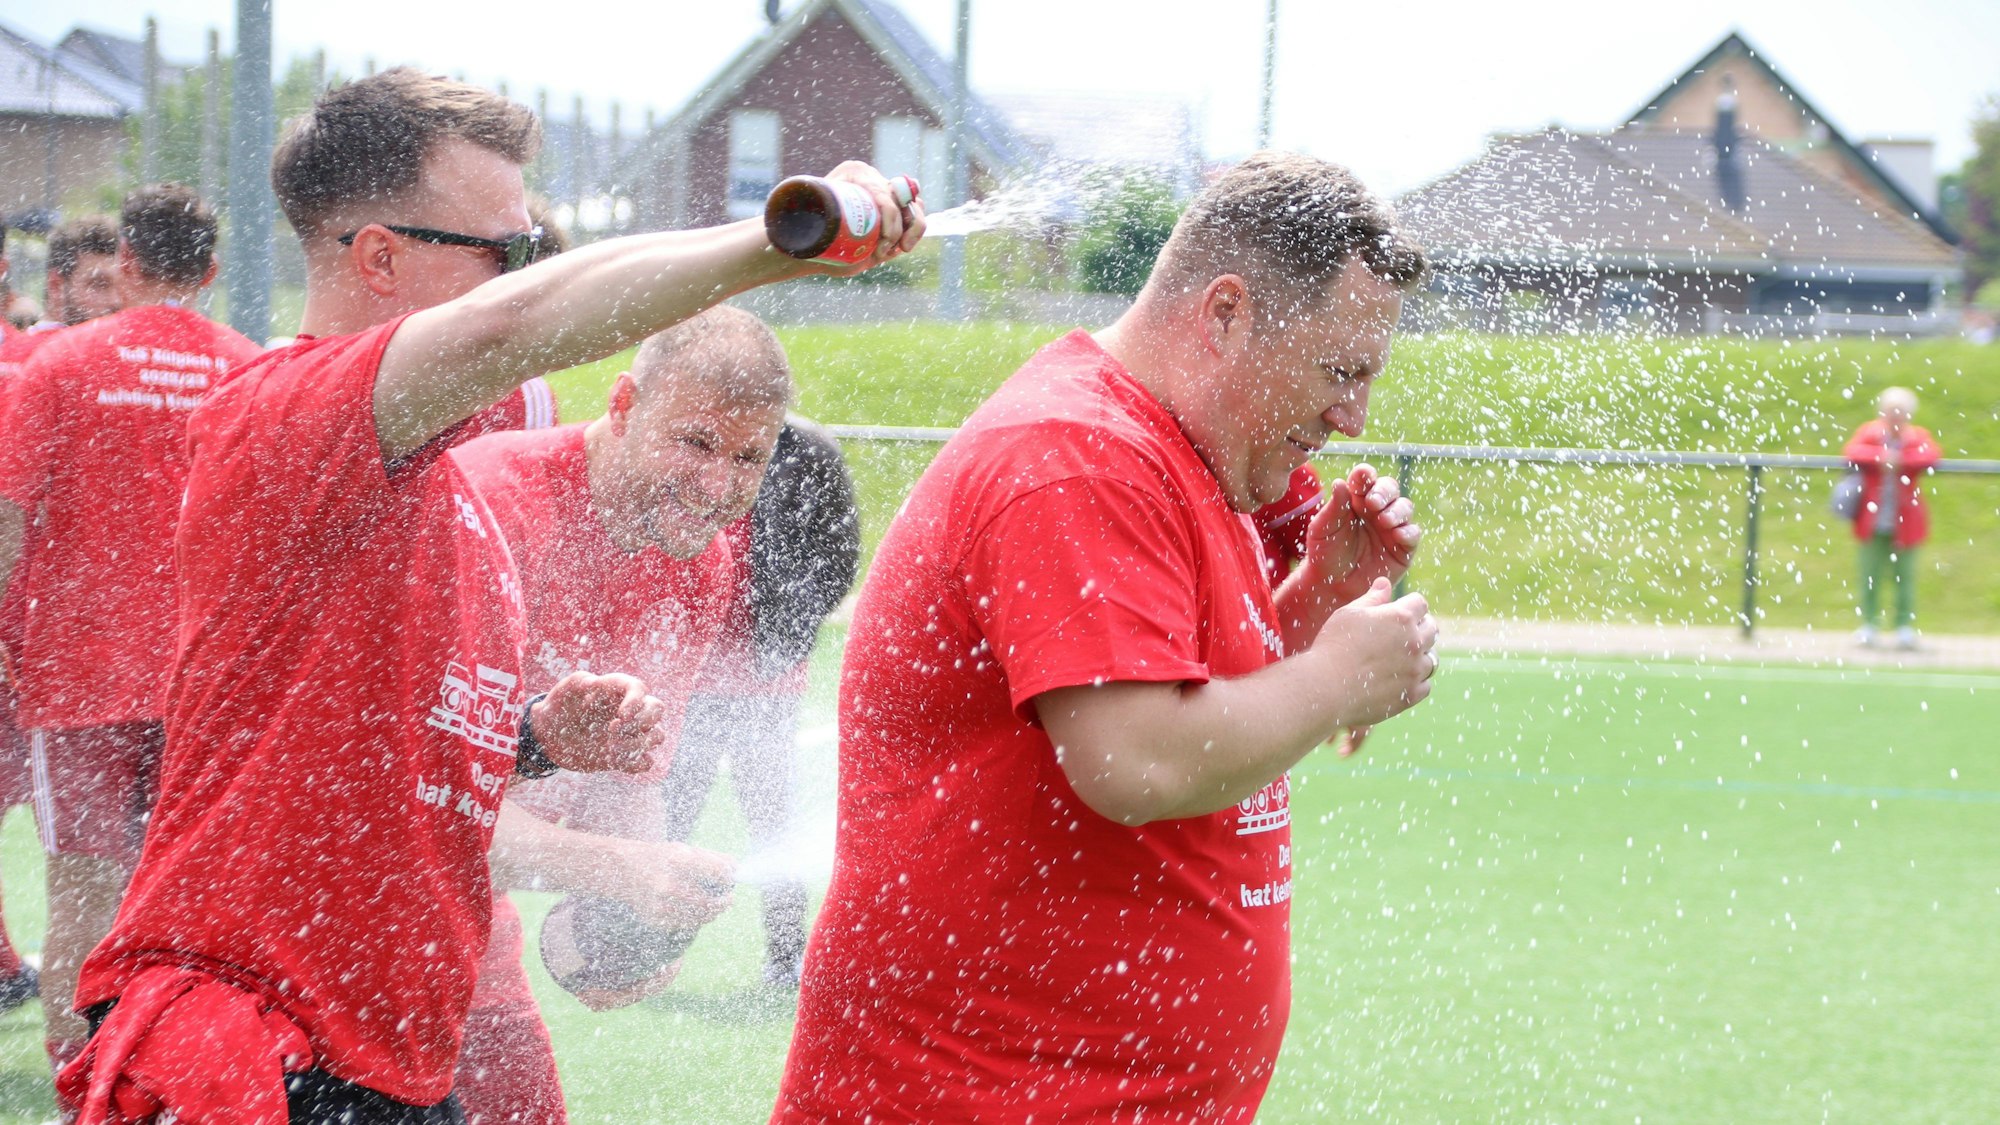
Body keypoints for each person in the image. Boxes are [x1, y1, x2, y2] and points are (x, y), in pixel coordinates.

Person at [61, 68, 918, 1125]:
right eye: (504, 254)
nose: (526, 277)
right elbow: (509, 328)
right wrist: (786, 235)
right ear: (379, 257)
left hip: (384, 1051)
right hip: (250, 1039)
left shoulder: (439, 483)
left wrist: (537, 741)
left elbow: (373, 752)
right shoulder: (285, 408)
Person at [774, 152, 1438, 1122]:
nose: (1353, 416)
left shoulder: (1186, 450)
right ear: (1225, 315)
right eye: (1339, 372)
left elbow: (1199, 706)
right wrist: (1336, 679)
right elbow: (1135, 759)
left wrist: (1313, 605)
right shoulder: (1080, 457)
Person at [447, 306, 795, 1125]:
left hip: (466, 923)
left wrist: (636, 921)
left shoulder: (701, 563)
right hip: (337, 919)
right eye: (696, 442)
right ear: (623, 403)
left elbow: (628, 778)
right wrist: (617, 870)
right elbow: (413, 804)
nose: (718, 485)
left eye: (748, 457)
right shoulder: (493, 503)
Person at [0, 183, 263, 1098]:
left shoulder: (62, 362)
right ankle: (181, 1078)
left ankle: (81, 1087)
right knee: (194, 896)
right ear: (213, 268)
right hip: (207, 683)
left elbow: (8, 518)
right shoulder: (246, 366)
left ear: (127, 263)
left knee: (81, 888)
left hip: (79, 674)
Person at [660, 409, 859, 989]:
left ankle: (786, 959)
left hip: (769, 678)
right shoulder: (690, 438)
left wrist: (795, 620)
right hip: (687, 676)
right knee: (667, 816)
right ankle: (638, 948)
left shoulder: (809, 450)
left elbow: (839, 554)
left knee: (775, 822)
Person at [1844, 386, 1940, 650]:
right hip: (1872, 520)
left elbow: (1931, 455)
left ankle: (1903, 627)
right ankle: (1869, 625)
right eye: (1891, 411)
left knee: (1904, 577)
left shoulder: (1916, 436)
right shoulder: (1870, 433)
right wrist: (1881, 458)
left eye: (1900, 412)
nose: (1895, 417)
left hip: (1905, 522)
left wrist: (1900, 460)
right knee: (1870, 575)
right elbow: (1852, 451)